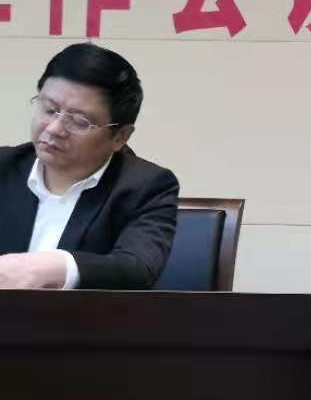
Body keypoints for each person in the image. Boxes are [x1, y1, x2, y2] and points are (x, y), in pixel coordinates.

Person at [0, 43, 179, 290]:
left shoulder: (146, 187)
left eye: (79, 121)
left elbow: (138, 268)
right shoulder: (5, 166)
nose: (54, 128)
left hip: (84, 315)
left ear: (120, 136)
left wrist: (53, 267)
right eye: (49, 109)